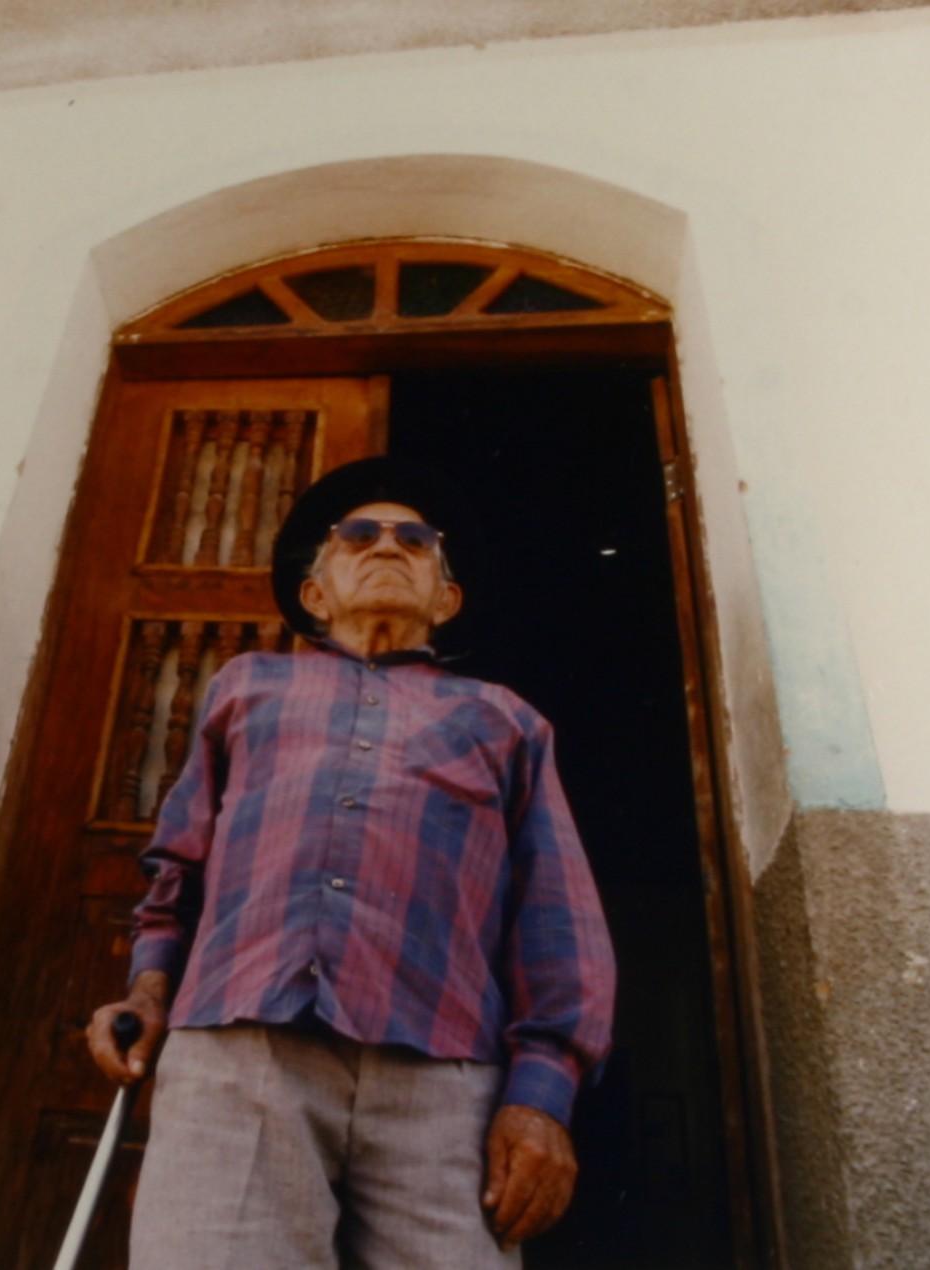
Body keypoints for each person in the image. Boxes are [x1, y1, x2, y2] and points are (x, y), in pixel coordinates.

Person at [87, 457, 616, 1268]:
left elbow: (557, 914)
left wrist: (541, 1099)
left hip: (445, 1081)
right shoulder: (246, 689)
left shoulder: (505, 721)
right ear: (314, 595)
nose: (388, 545)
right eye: (359, 535)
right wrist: (149, 990)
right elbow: (179, 870)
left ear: (447, 599)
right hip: (241, 1051)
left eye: (416, 539)